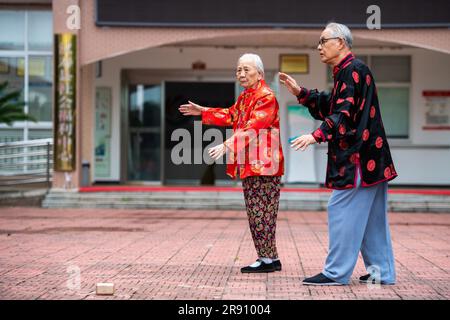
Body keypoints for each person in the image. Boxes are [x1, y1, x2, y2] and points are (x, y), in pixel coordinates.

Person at [279, 22, 398, 286]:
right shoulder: (350, 71)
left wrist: (316, 135)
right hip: (372, 159)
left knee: (340, 209)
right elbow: (333, 104)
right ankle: (382, 273)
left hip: (357, 159)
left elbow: (342, 114)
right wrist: (302, 93)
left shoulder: (351, 70)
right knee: (372, 220)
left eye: (323, 41)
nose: (319, 46)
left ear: (341, 42)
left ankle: (335, 273)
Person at [179, 53, 285, 273]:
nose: (242, 74)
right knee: (261, 211)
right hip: (253, 163)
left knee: (260, 212)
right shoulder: (247, 96)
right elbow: (231, 115)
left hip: (263, 165)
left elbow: (253, 127)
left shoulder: (265, 96)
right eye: (239, 70)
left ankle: (266, 259)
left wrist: (227, 145)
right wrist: (204, 112)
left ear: (260, 73)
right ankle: (271, 257)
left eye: (247, 69)